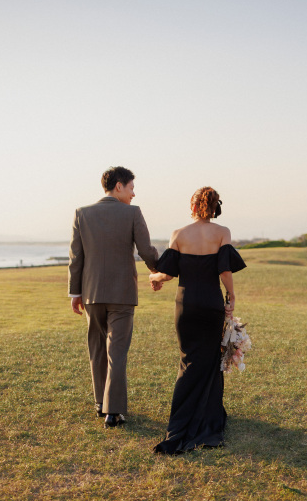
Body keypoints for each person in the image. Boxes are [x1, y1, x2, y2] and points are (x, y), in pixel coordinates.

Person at [148, 186, 246, 454]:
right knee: (210, 359)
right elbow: (224, 270)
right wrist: (232, 296)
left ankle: (182, 422)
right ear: (214, 208)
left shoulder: (178, 234)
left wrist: (152, 278)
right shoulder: (222, 232)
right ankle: (208, 418)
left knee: (188, 359)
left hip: (187, 305)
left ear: (192, 207)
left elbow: (166, 275)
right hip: (211, 304)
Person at [68, 166, 159, 428]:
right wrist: (159, 270)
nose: (133, 193)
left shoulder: (81, 214)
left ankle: (100, 403)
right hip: (122, 295)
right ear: (118, 186)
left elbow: (77, 258)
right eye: (131, 187)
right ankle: (113, 411)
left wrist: (75, 293)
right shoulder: (133, 213)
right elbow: (146, 250)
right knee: (116, 352)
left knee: (97, 349)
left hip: (91, 294)